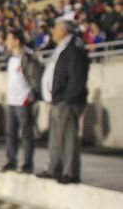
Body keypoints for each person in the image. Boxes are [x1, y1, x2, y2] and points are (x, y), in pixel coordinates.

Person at [37, 19, 89, 184]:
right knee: (55, 137)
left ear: (65, 30)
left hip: (66, 101)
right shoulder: (62, 47)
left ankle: (70, 173)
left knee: (68, 137)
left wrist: (69, 98)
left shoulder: (74, 48)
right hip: (57, 99)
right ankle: (54, 168)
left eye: (56, 28)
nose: (53, 31)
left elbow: (77, 76)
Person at [0, 30, 36, 174]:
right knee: (11, 132)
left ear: (17, 41)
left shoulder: (28, 56)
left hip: (23, 99)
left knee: (26, 133)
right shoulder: (11, 58)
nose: (6, 42)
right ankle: (11, 160)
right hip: (12, 100)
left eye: (9, 39)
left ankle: (27, 163)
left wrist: (30, 95)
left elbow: (34, 77)